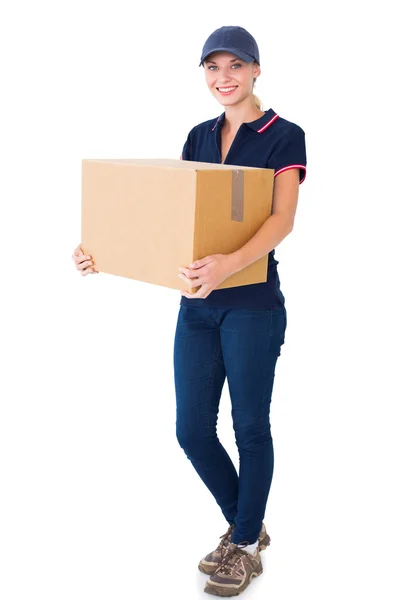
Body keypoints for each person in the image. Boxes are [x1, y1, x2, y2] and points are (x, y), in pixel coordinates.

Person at [72, 25, 307, 598]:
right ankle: (247, 527)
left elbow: (282, 220)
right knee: (191, 430)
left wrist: (229, 265)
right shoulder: (199, 135)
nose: (223, 78)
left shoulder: (285, 135)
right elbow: (174, 218)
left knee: (249, 426)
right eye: (212, 68)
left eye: (235, 67)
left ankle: (245, 544)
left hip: (252, 306)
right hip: (197, 308)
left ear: (256, 71)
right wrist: (103, 252)